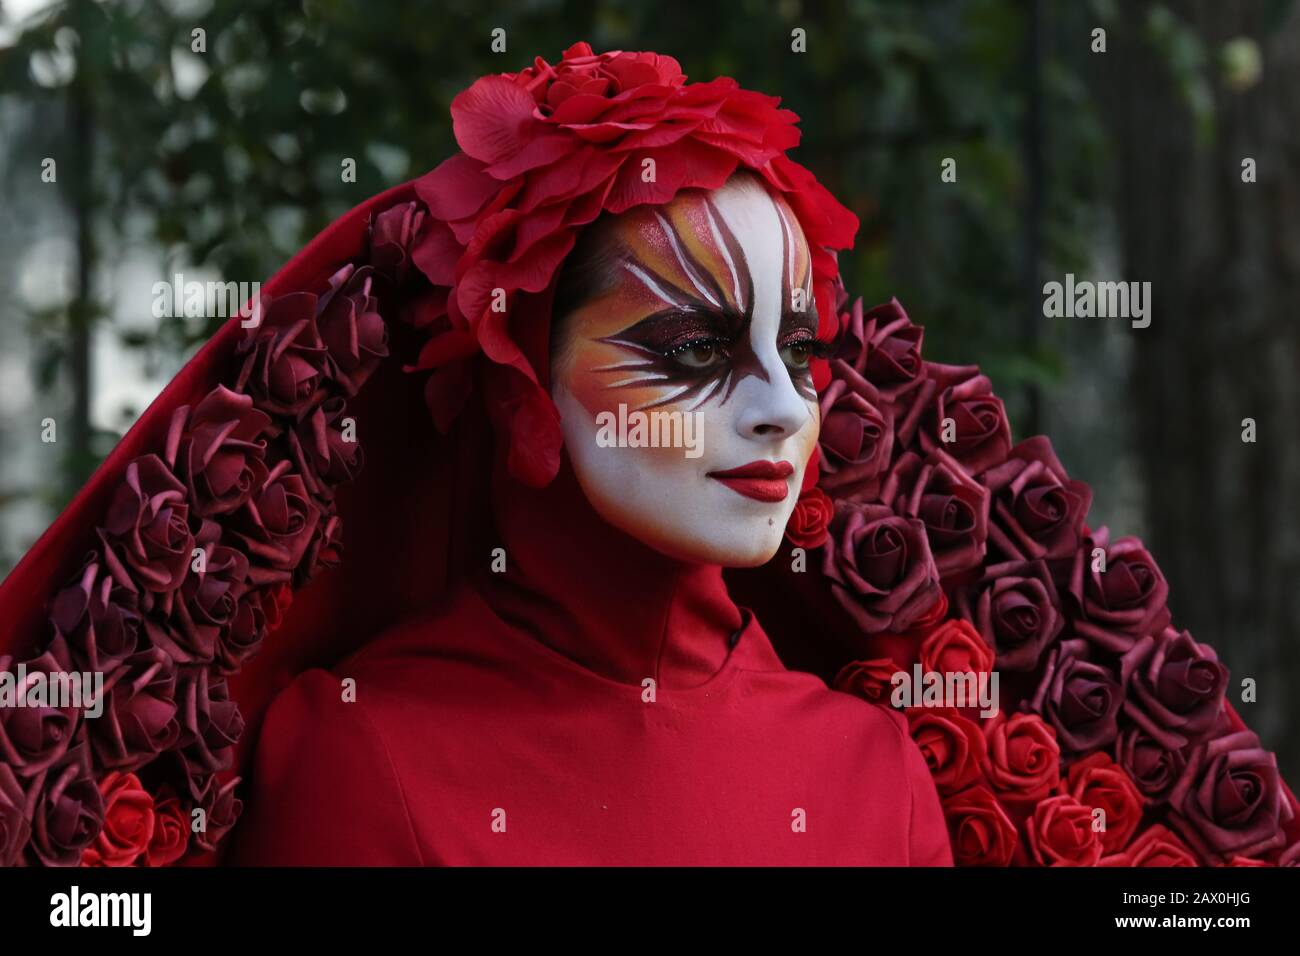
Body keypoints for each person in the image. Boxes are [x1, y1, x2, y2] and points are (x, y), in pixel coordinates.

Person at [0, 42, 1293, 868]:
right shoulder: (357, 754)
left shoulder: (879, 771)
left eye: (805, 349)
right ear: (520, 377)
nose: (785, 410)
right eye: (692, 351)